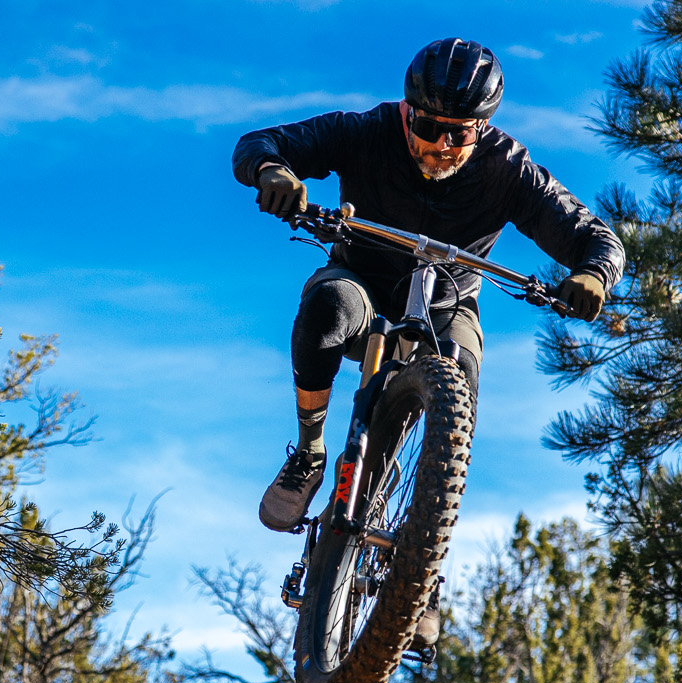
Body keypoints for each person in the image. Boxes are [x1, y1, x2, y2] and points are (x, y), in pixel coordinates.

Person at [236, 38, 625, 532]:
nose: (442, 145)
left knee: (460, 374)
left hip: (447, 303)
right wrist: (272, 171)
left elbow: (597, 238)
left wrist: (593, 274)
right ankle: (310, 452)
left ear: (481, 127)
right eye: (428, 127)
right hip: (362, 282)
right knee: (328, 305)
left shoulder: (508, 168)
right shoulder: (366, 131)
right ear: (407, 113)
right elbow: (259, 143)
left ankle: (418, 535)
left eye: (458, 133)